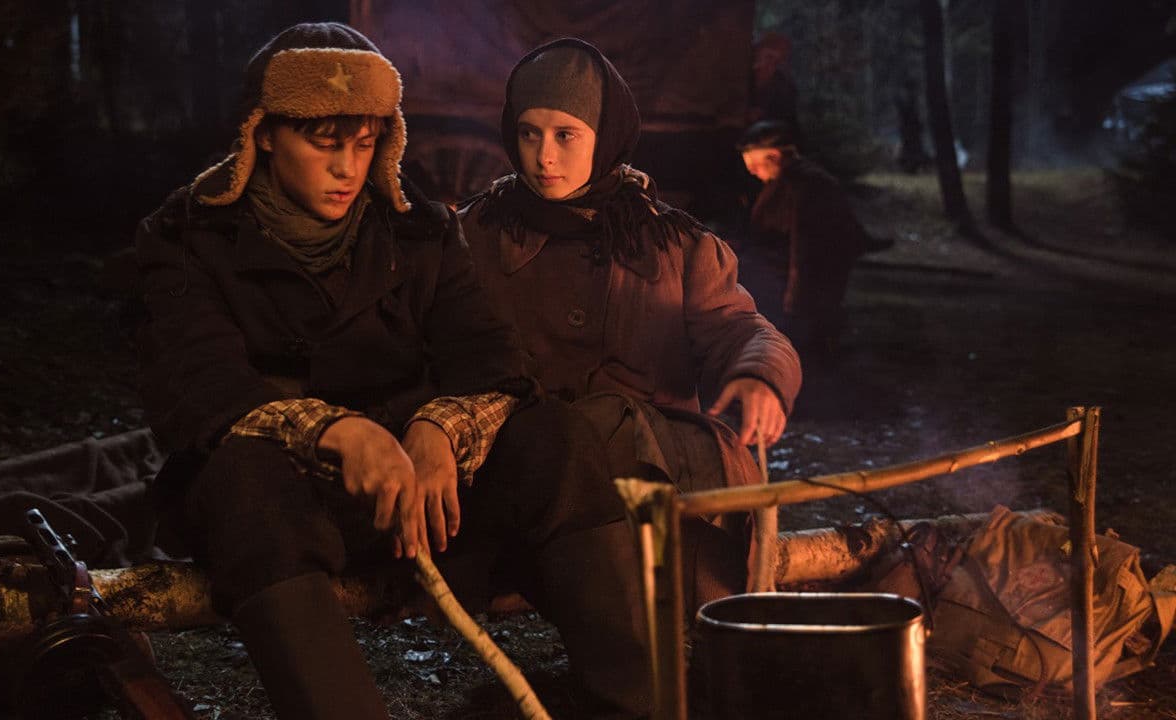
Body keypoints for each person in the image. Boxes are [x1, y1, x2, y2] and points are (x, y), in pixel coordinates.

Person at [135, 23, 649, 720]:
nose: (348, 168)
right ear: (264, 134)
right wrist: (333, 432)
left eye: (365, 143)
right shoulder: (186, 235)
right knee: (242, 482)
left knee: (554, 437)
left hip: (422, 496)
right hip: (283, 503)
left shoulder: (416, 226)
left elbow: (491, 356)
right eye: (325, 143)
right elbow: (198, 385)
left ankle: (633, 704)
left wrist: (443, 426)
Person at [457, 39, 803, 606]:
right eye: (529, 133)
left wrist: (760, 374)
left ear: (606, 134)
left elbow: (739, 327)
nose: (544, 156)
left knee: (703, 582)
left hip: (655, 472)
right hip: (520, 476)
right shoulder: (476, 235)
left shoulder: (673, 244)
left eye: (566, 135)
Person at [737, 119, 868, 362]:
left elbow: (804, 246)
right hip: (791, 279)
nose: (752, 171)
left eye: (755, 164)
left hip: (809, 281)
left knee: (807, 343)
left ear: (774, 156)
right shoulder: (784, 182)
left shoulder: (805, 186)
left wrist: (794, 298)